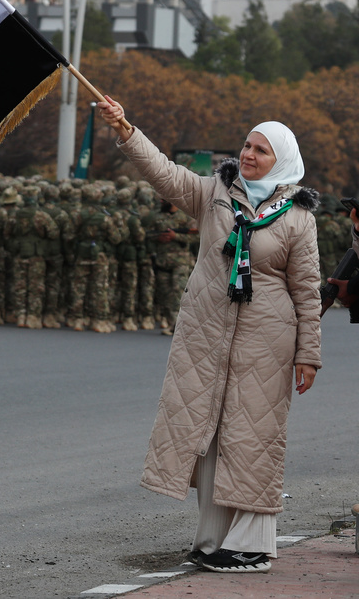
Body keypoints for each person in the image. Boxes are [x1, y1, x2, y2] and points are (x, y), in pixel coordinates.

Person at [97, 96, 320, 573]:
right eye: (246, 145)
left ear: (281, 160)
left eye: (261, 150)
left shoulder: (299, 219)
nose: (248, 154)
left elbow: (307, 293)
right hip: (207, 338)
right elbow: (163, 173)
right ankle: (213, 539)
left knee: (253, 439)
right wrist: (124, 128)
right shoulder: (214, 194)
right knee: (211, 437)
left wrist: (309, 355)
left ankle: (254, 545)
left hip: (267, 345)